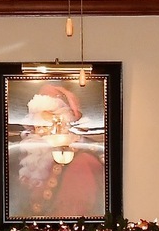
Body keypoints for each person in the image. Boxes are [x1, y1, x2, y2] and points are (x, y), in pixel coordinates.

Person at [9, 77, 106, 218]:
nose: (37, 130)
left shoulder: (83, 162)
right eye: (35, 123)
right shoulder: (16, 162)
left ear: (63, 124)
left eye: (46, 122)